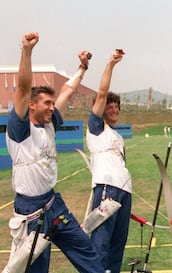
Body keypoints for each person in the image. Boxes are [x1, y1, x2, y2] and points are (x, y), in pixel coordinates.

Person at [5, 32, 104, 273]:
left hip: (53, 204)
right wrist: (27, 51)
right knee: (37, 268)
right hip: (31, 212)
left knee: (86, 251)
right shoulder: (20, 130)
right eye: (46, 104)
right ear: (31, 105)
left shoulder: (49, 124)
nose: (52, 107)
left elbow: (67, 92)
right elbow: (23, 89)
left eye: (52, 103)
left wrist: (82, 69)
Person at [86, 50, 131, 273]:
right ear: (101, 110)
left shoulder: (119, 137)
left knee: (117, 244)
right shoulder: (96, 128)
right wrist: (111, 64)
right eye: (108, 106)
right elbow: (102, 92)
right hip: (107, 189)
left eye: (117, 106)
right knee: (101, 243)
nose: (113, 109)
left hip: (124, 192)